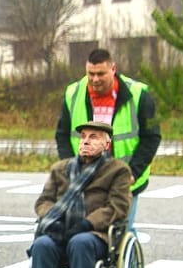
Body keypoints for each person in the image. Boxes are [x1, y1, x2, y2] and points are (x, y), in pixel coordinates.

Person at [24, 121, 133, 268]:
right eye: (83, 136)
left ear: (106, 144)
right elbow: (43, 201)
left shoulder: (117, 170)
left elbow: (118, 207)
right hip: (59, 231)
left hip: (94, 234)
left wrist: (87, 223)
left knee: (80, 242)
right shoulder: (61, 168)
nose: (85, 140)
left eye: (93, 136)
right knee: (41, 245)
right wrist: (51, 218)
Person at [54, 48, 160, 224]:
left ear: (113, 69)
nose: (95, 79)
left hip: (124, 177)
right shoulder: (73, 94)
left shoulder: (139, 95)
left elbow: (151, 137)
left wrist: (133, 171)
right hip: (85, 177)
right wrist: (69, 167)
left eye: (101, 74)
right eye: (91, 74)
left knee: (121, 230)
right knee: (85, 229)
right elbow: (63, 135)